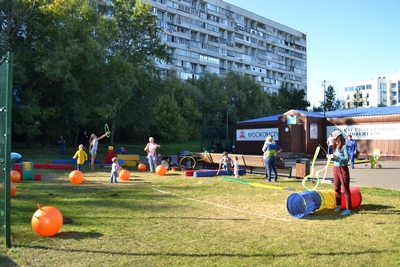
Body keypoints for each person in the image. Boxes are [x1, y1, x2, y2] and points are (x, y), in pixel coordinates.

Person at [327, 130, 352, 216]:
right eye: (334, 139)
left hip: (343, 169)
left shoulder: (344, 147)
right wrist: (331, 157)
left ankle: (348, 209)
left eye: (336, 139)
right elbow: (335, 159)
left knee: (345, 189)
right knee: (336, 188)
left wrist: (336, 157)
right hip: (335, 169)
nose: (335, 141)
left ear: (340, 137)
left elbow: (346, 159)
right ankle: (338, 205)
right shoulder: (335, 147)